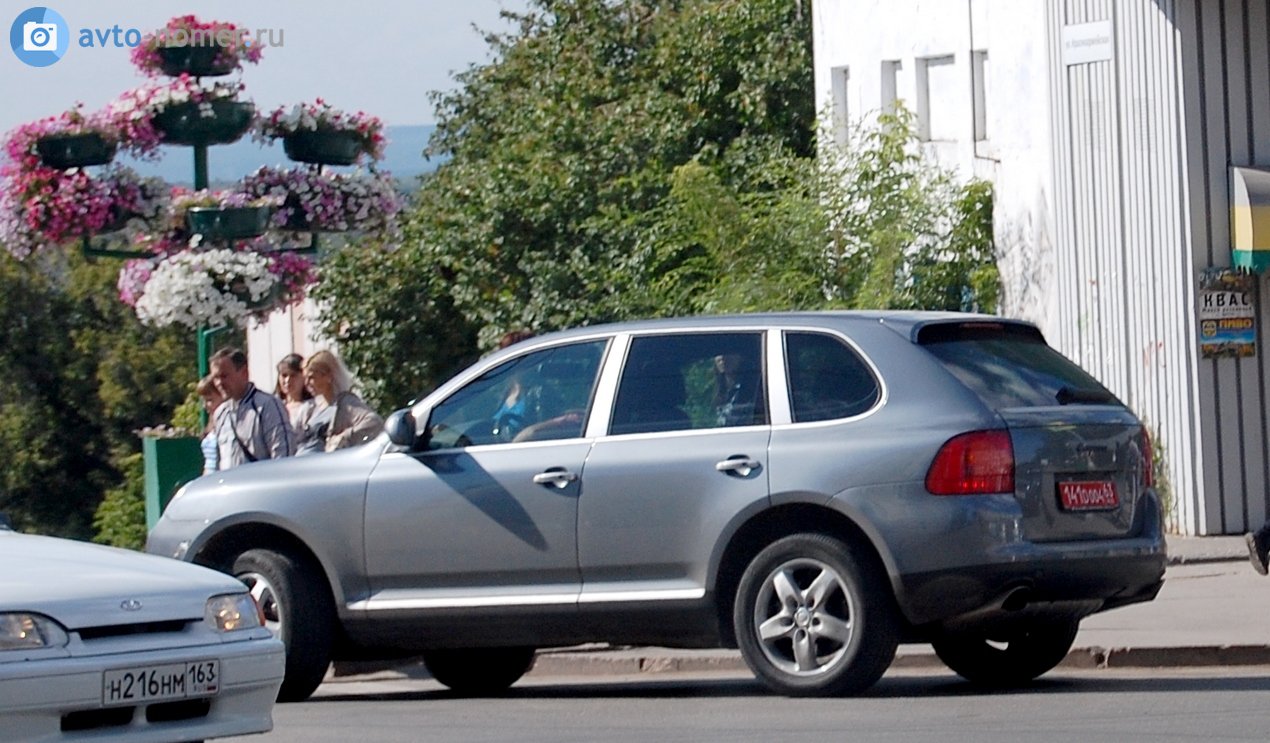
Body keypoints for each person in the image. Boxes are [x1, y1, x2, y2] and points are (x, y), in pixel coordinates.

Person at [210, 347, 295, 469]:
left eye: (224, 376)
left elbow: (283, 455)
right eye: (215, 378)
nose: (219, 383)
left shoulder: (267, 406)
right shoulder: (221, 413)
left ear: (244, 373)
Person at [295, 349, 384, 454]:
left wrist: (344, 437)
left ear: (328, 376)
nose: (306, 383)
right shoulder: (310, 408)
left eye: (311, 377)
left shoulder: (345, 403)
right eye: (305, 378)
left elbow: (374, 422)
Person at [274, 353, 313, 438]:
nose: (287, 380)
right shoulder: (273, 406)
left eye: (293, 375)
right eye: (284, 375)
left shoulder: (312, 407)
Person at [196, 374, 226, 475]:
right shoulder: (211, 422)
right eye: (203, 401)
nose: (205, 406)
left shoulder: (229, 422)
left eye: (209, 400)